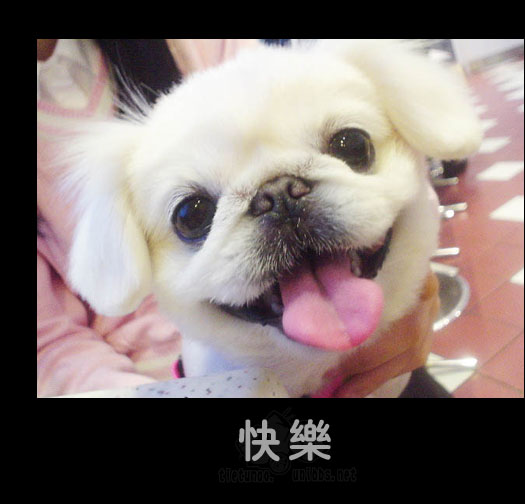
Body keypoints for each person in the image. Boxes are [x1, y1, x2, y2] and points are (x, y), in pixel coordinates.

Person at [37, 39, 440, 398]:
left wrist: (412, 283)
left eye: (349, 148)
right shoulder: (112, 171)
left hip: (389, 360)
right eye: (195, 215)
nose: (281, 201)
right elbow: (47, 346)